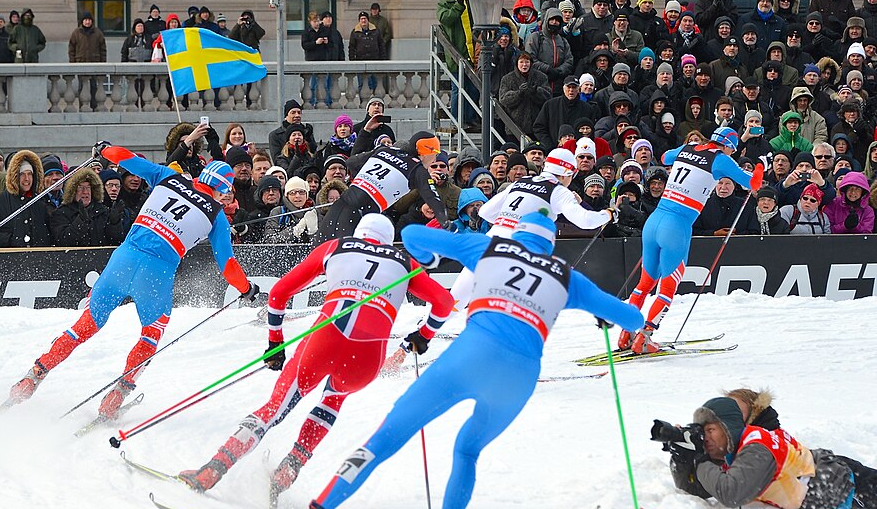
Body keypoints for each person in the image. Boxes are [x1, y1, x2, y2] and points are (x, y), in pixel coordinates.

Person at [260, 211, 644, 509]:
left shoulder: (489, 247)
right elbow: (633, 317)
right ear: (550, 243)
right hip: (520, 377)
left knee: (385, 438)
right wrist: (600, 313)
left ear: (517, 235)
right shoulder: (566, 277)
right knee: (468, 450)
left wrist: (425, 259)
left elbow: (411, 234)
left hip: (471, 355)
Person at [178, 213, 454, 503]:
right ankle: (290, 469)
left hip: (327, 338)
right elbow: (445, 302)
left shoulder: (337, 246)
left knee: (276, 407)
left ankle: (212, 470)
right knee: (332, 400)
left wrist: (275, 342)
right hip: (369, 356)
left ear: (359, 233)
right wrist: (424, 336)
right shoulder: (404, 262)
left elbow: (279, 293)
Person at [4, 146, 259, 420]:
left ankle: (33, 376)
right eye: (226, 193)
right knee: (150, 335)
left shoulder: (169, 177)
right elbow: (228, 266)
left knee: (86, 325)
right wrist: (246, 289)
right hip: (157, 273)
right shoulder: (217, 216)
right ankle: (116, 397)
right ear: (221, 189)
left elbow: (127, 159)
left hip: (123, 260)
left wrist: (105, 150)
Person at [619, 127, 761, 354]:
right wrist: (759, 172)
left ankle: (626, 333)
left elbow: (666, 157)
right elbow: (751, 183)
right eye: (732, 150)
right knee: (667, 289)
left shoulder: (689, 147)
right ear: (728, 146)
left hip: (654, 220)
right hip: (676, 226)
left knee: (644, 284)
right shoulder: (720, 159)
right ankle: (644, 339)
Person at [664, 389, 877, 509]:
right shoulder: (731, 450)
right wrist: (684, 457)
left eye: (711, 429)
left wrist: (700, 459)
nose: (706, 435)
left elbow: (731, 492)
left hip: (844, 483)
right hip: (829, 484)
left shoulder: (758, 442)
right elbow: (700, 488)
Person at [447, 147, 616, 306]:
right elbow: (584, 220)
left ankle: (425, 330)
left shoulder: (520, 182)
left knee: (455, 300)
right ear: (567, 173)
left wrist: (506, 221)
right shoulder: (558, 191)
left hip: (489, 242)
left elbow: (485, 211)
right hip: (518, 250)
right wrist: (608, 214)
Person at [316, 131, 450, 241]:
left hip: (342, 202)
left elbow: (351, 163)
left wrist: (365, 180)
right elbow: (434, 200)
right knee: (343, 259)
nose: (435, 159)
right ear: (426, 151)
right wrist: (447, 224)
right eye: (435, 153)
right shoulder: (418, 170)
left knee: (317, 252)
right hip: (361, 215)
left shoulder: (384, 150)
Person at [0, 150, 52, 248]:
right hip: (6, 259)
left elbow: (49, 236)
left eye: (30, 174)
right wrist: (10, 239)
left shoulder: (40, 205)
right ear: (14, 176)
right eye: (22, 174)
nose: (27, 179)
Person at [438, 0, 478, 128]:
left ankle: (471, 118)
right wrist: (458, 5)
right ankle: (456, 121)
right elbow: (446, 19)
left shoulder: (469, 0)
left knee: (474, 88)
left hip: (472, 51)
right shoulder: (444, 3)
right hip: (455, 54)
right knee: (458, 88)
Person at [348, 11, 384, 96]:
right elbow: (352, 47)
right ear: (359, 21)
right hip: (360, 61)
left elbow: (381, 45)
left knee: (375, 84)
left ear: (368, 20)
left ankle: (376, 102)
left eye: (365, 19)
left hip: (375, 61)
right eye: (361, 19)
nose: (363, 21)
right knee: (362, 84)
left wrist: (383, 59)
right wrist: (352, 61)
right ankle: (363, 103)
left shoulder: (376, 31)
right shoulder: (355, 32)